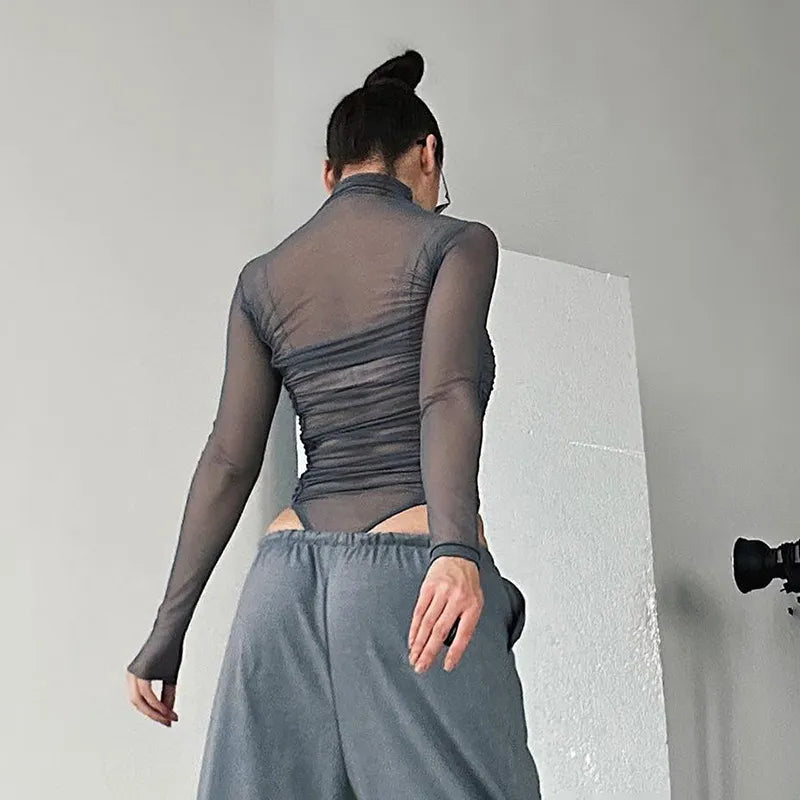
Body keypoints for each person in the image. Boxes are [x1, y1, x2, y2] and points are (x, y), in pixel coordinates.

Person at [126, 48, 542, 799]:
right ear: (428, 155)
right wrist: (453, 549)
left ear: (329, 173)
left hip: (281, 587)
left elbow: (228, 458)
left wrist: (168, 628)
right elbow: (446, 391)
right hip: (410, 582)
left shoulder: (262, 278)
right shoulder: (456, 242)